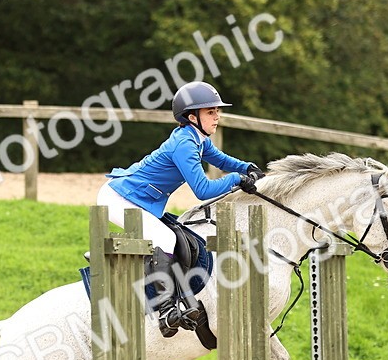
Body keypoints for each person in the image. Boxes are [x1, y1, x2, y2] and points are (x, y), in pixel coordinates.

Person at [98, 81, 265, 335]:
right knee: (164, 238)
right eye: (210, 112)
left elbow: (220, 160)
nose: (217, 116)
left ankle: (183, 299)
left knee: (180, 235)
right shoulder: (184, 144)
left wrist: (247, 167)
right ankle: (166, 311)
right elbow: (203, 190)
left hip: (139, 200)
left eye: (217, 111)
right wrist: (237, 179)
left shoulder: (197, 139)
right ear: (192, 117)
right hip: (119, 199)